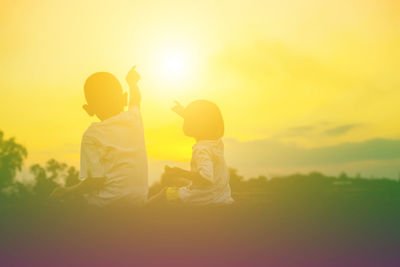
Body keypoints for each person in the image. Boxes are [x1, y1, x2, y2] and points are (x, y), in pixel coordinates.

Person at [50, 66, 148, 206]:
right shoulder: (134, 118)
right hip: (138, 201)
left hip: (108, 204)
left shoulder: (92, 135)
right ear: (123, 98)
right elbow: (136, 100)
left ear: (88, 109)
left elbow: (95, 182)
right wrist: (132, 82)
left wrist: (66, 191)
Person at [156, 100, 234, 205]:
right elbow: (205, 123)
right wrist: (184, 113)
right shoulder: (216, 143)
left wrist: (179, 172)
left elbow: (205, 178)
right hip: (221, 196)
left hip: (203, 197)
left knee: (166, 193)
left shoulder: (201, 149)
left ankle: (141, 210)